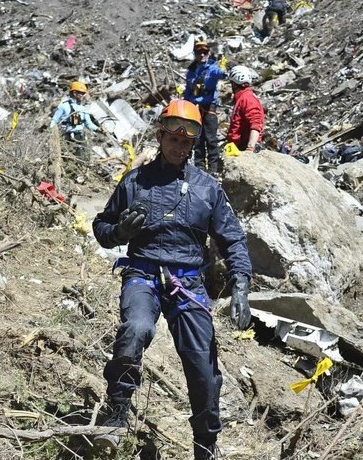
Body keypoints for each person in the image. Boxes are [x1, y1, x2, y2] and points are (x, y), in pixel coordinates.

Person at [91, 99, 253, 460]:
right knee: (135, 329)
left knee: (203, 369)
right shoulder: (135, 181)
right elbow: (101, 228)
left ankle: (205, 446)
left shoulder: (207, 189)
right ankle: (116, 414)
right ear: (160, 135)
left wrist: (241, 282)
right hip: (142, 275)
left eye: (186, 142)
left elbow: (233, 238)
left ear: (193, 144)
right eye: (173, 139)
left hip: (188, 284)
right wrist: (118, 231)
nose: (179, 147)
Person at [183, 41, 227, 174]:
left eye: (205, 52)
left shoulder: (212, 68)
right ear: (195, 53)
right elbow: (187, 91)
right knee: (197, 139)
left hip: (208, 107)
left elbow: (221, 74)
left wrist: (223, 69)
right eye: (199, 52)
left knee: (211, 138)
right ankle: (200, 168)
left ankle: (213, 168)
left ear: (208, 53)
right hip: (194, 107)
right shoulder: (191, 71)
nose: (202, 54)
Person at [49, 81, 100, 148]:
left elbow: (89, 124)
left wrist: (98, 129)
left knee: (82, 157)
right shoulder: (63, 106)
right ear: (75, 93)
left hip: (79, 137)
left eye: (83, 93)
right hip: (66, 137)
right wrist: (52, 135)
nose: (83, 95)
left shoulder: (83, 109)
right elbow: (54, 121)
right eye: (81, 93)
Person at [226, 66, 264, 152]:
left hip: (244, 147)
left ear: (234, 84)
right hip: (238, 147)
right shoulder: (243, 97)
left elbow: (256, 123)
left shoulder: (247, 98)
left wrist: (250, 148)